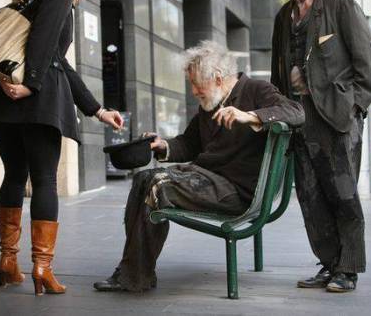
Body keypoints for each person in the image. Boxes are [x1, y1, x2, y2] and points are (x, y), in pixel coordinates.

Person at [93, 40, 304, 292]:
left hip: (236, 191)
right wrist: (162, 145)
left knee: (158, 185)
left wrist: (250, 116)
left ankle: (133, 274)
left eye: (195, 83)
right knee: (143, 180)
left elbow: (296, 112)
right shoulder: (211, 104)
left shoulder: (256, 90)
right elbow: (189, 143)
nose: (193, 90)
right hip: (206, 181)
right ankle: (134, 271)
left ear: (217, 77)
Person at [0, 0, 124, 296]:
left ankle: (8, 262)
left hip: (4, 104)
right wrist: (33, 85)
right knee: (44, 181)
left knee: (14, 176)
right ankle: (42, 267)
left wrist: (97, 110)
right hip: (35, 104)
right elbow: (43, 47)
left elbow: (61, 63)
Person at [267, 0, 371, 292]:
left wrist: (355, 109)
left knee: (343, 195)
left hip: (337, 119)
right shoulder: (283, 18)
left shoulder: (340, 5)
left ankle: (347, 270)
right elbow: (276, 75)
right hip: (301, 121)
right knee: (310, 196)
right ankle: (330, 264)